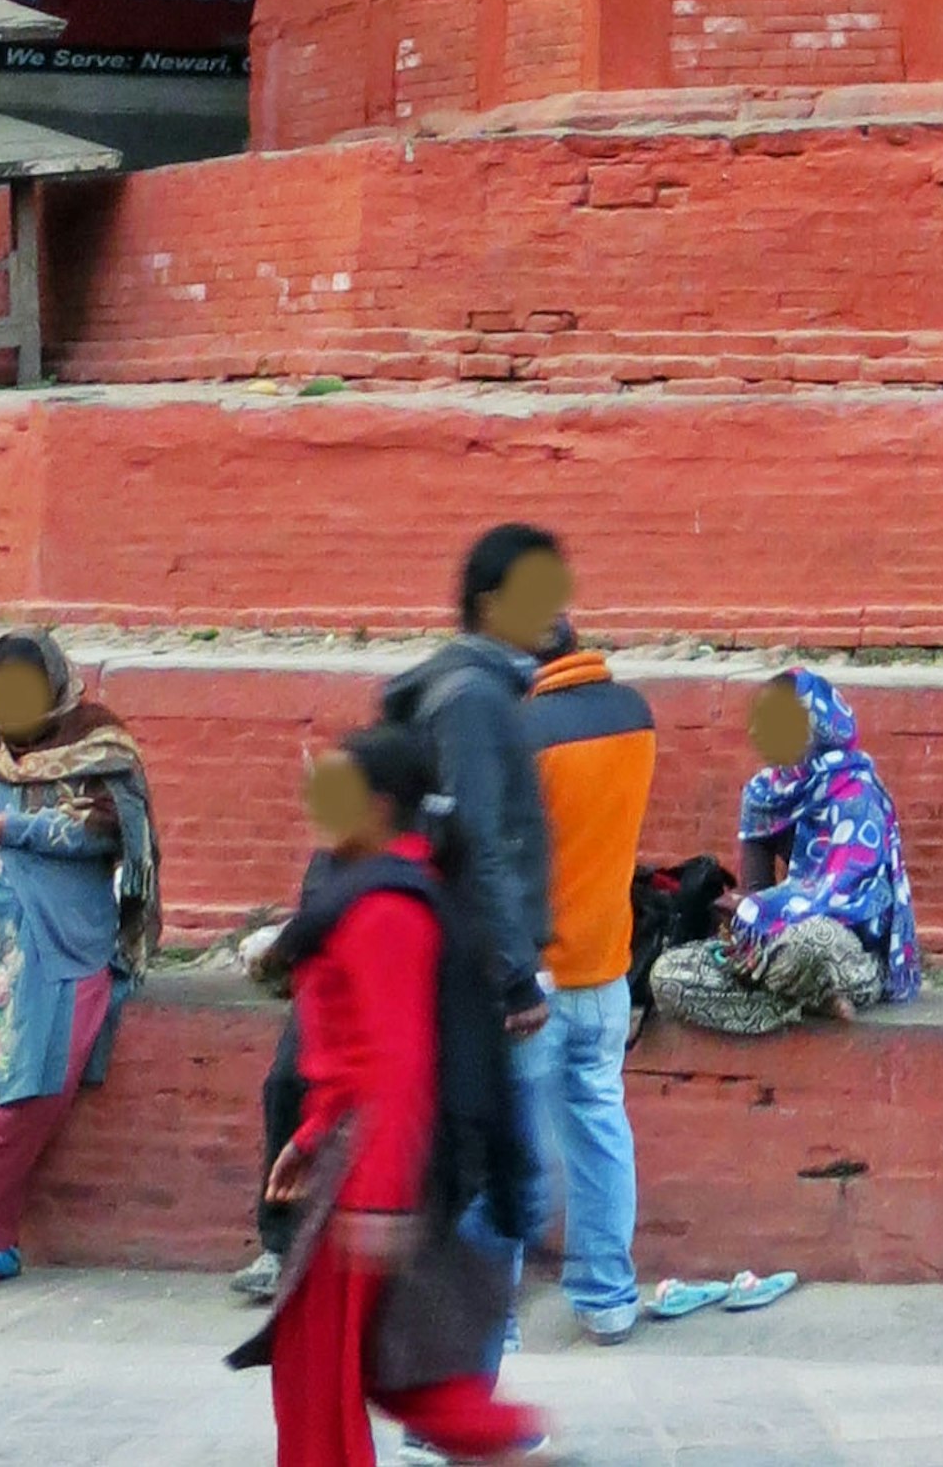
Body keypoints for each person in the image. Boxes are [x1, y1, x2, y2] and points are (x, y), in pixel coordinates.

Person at [232, 721, 545, 1467]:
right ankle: (507, 1443)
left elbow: (399, 1065)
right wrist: (308, 1140)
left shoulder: (386, 908)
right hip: (353, 1156)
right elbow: (349, 1056)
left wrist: (378, 1202)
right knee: (368, 1370)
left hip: (375, 1170)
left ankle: (511, 1442)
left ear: (379, 807)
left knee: (339, 1373)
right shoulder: (376, 888)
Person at [0, 625, 159, 1291]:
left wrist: (19, 830)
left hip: (63, 954)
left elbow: (113, 833)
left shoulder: (100, 750)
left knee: (33, 1090)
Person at [385, 529, 566, 1362]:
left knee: (492, 1183)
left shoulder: (474, 689)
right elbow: (480, 842)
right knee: (490, 1187)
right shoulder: (472, 698)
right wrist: (516, 977)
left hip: (470, 970)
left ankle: (461, 1393)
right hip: (485, 982)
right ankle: (453, 1397)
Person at [648, 666, 922, 1034]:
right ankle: (804, 1001)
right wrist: (744, 919)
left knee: (810, 942)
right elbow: (756, 892)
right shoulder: (763, 795)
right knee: (668, 974)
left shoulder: (856, 793)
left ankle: (801, 991)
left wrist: (764, 917)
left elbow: (843, 897)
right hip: (774, 948)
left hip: (845, 945)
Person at [522, 615, 659, 1344]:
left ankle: (495, 1315)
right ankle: (608, 1299)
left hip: (534, 978)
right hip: (608, 967)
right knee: (601, 1127)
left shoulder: (526, 734)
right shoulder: (635, 716)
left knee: (513, 1140)